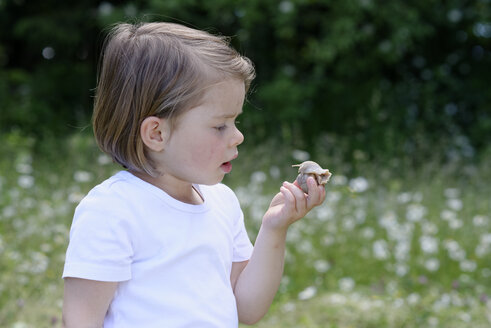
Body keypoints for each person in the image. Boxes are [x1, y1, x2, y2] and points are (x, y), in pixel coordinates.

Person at [62, 21, 326, 328]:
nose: (237, 136)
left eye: (235, 121)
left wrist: (274, 229)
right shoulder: (113, 210)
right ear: (157, 133)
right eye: (220, 126)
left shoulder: (222, 203)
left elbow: (247, 309)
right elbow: (81, 320)